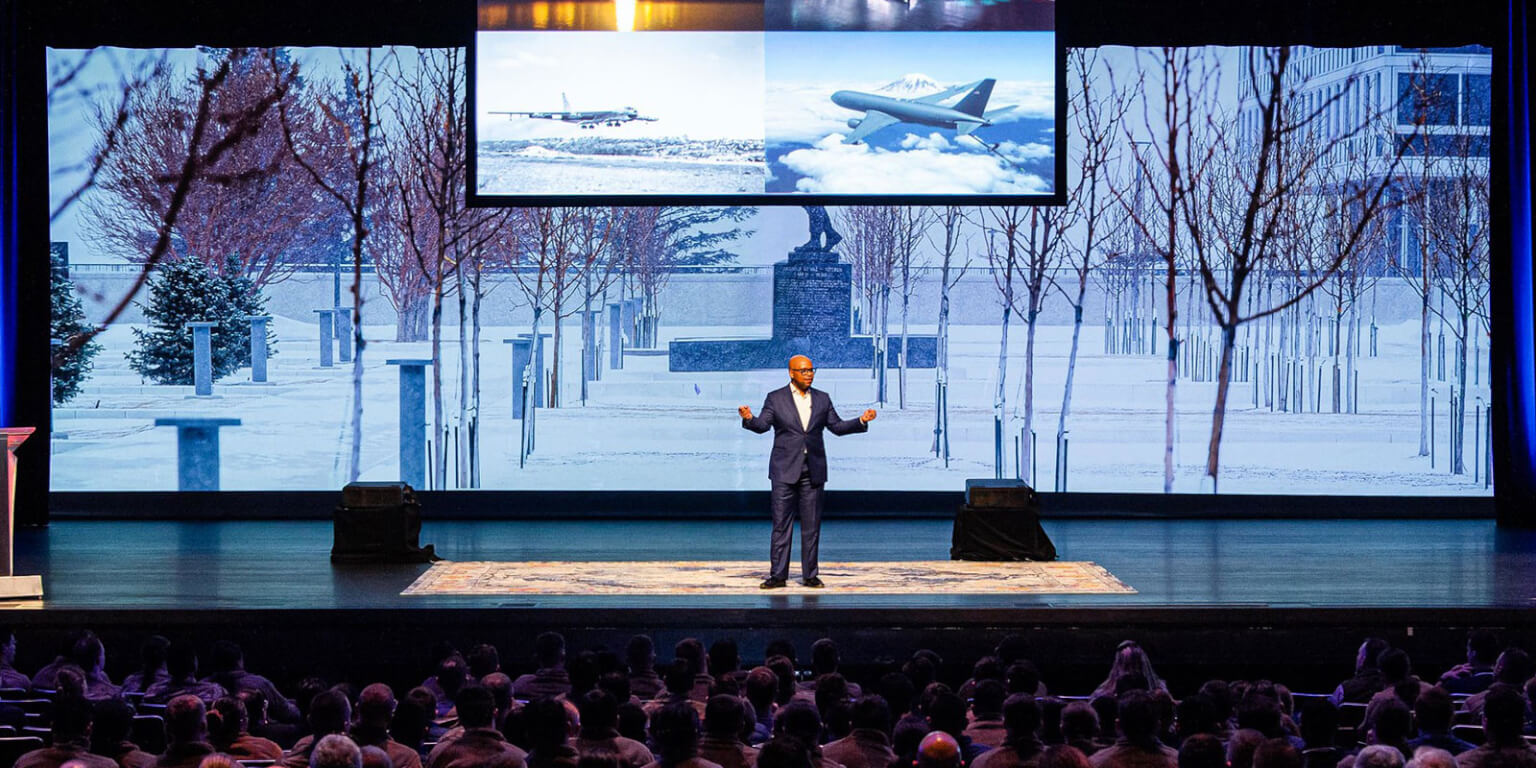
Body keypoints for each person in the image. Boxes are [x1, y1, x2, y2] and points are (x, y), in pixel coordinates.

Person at [739, 354, 875, 589]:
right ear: (791, 373)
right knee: (781, 525)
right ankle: (778, 575)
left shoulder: (822, 399)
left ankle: (810, 574)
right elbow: (762, 426)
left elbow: (837, 427)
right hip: (784, 470)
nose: (809, 374)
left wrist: (861, 421)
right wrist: (749, 418)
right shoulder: (776, 398)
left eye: (811, 370)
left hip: (812, 470)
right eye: (803, 370)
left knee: (811, 526)